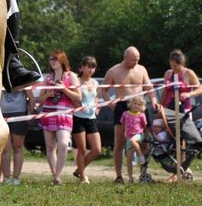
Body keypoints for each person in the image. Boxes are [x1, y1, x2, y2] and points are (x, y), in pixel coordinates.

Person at [102, 46, 159, 184]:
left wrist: (153, 100)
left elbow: (149, 87)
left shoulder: (141, 69)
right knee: (120, 142)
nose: (136, 62)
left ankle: (143, 174)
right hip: (122, 106)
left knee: (144, 141)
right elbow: (103, 91)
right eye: (133, 59)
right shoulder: (114, 71)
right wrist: (111, 104)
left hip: (140, 106)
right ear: (125, 57)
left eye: (138, 59)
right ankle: (119, 175)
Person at [159, 49, 202, 183]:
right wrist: (159, 107)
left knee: (182, 140)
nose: (173, 68)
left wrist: (188, 94)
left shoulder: (188, 73)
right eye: (171, 64)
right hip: (169, 109)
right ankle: (178, 170)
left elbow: (200, 89)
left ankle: (182, 169)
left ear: (181, 63)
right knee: (173, 140)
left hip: (184, 110)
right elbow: (164, 92)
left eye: (175, 65)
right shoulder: (168, 73)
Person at [38, 50, 81, 185]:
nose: (52, 61)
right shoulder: (48, 78)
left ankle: (57, 175)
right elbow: (41, 99)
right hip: (48, 113)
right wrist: (48, 95)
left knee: (62, 144)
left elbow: (79, 97)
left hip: (64, 114)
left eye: (55, 59)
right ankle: (56, 177)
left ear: (62, 60)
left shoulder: (71, 76)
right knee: (50, 147)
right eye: (50, 59)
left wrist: (64, 89)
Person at [72, 55, 101, 184]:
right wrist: (78, 106)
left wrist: (96, 106)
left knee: (97, 149)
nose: (90, 70)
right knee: (82, 149)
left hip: (91, 118)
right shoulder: (76, 81)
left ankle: (79, 170)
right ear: (82, 67)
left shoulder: (95, 83)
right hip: (78, 118)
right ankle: (83, 176)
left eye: (93, 67)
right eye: (88, 66)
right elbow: (73, 99)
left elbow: (96, 97)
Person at [0, 89, 35, 184]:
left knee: (17, 146)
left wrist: (31, 112)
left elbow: (31, 97)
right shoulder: (0, 76)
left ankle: (16, 178)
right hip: (2, 115)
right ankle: (6, 178)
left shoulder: (22, 75)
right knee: (5, 149)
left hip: (20, 114)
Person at [121, 95, 148, 183]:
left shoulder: (141, 115)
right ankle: (130, 178)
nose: (136, 105)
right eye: (135, 103)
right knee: (129, 159)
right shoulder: (125, 114)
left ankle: (140, 156)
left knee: (133, 140)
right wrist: (123, 133)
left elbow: (144, 126)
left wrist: (145, 136)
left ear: (142, 106)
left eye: (139, 104)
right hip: (129, 137)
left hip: (139, 135)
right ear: (130, 104)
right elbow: (123, 125)